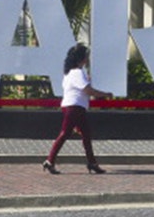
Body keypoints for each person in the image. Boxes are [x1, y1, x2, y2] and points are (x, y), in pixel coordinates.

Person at [43, 43, 113, 175]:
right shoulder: (77, 73)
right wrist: (105, 94)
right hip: (74, 107)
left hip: (74, 107)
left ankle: (92, 163)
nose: (88, 59)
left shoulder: (70, 74)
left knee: (86, 134)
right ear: (82, 58)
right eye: (86, 57)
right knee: (64, 133)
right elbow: (88, 90)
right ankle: (49, 161)